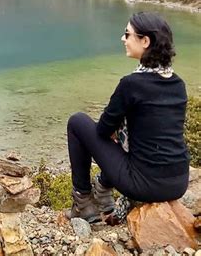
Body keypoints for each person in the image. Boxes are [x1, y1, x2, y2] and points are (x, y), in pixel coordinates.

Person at [66, 11, 190, 223]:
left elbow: (102, 131)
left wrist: (116, 130)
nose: (123, 39)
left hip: (144, 184)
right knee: (139, 138)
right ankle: (104, 188)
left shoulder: (131, 84)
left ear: (145, 41)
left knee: (78, 122)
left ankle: (83, 203)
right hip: (178, 183)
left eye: (127, 34)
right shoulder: (178, 84)